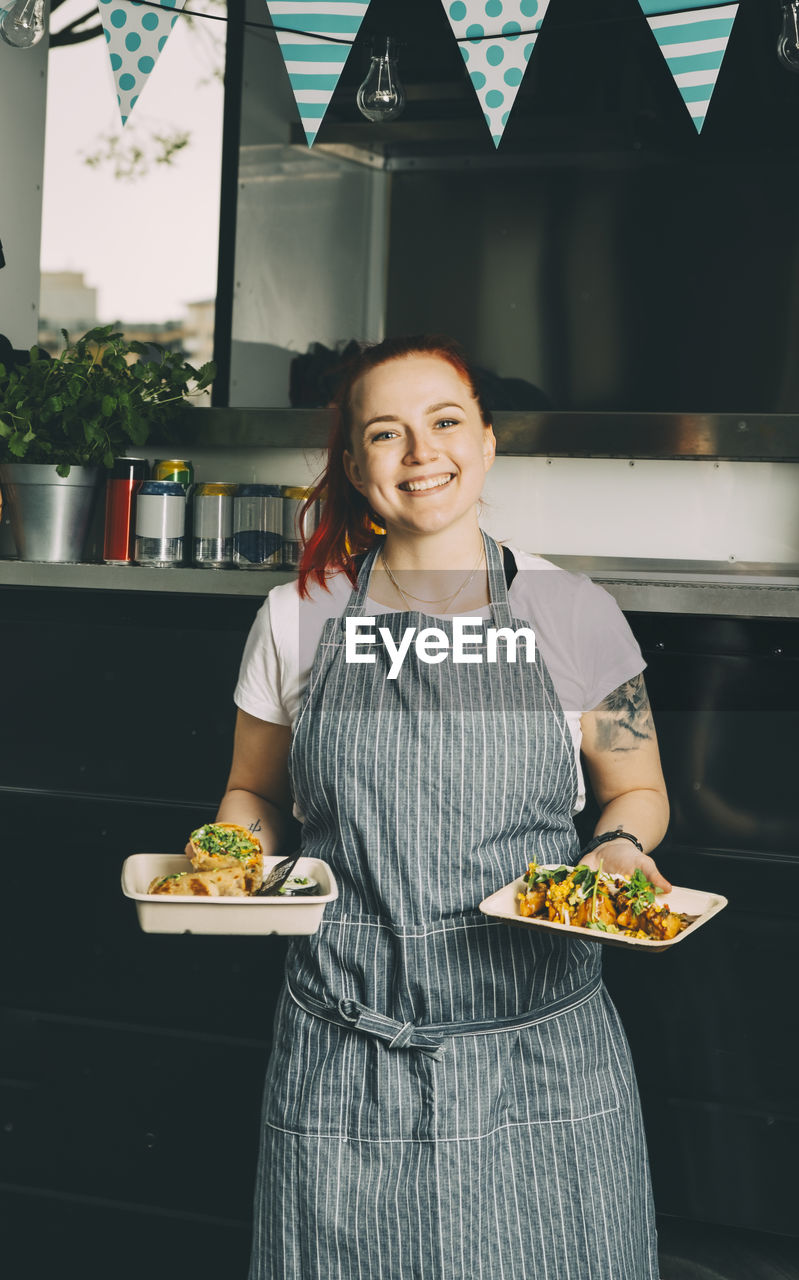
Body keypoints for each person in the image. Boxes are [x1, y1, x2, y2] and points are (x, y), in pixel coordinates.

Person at [214, 334, 670, 1279]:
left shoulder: (573, 613)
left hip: (540, 1052)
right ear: (352, 463)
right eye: (386, 433)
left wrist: (619, 849)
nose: (421, 452)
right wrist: (227, 854)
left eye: (445, 421)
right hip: (348, 1054)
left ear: (489, 441)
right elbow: (254, 790)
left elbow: (635, 785)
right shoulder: (296, 617)